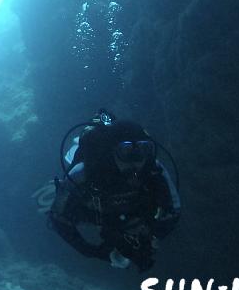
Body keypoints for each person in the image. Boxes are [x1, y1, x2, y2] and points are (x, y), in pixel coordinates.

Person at [48, 110, 180, 271]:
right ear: (111, 152)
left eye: (144, 150)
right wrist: (92, 251)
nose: (136, 162)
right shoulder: (84, 172)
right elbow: (58, 218)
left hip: (128, 214)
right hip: (96, 211)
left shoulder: (153, 169)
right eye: (126, 152)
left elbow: (173, 210)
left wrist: (151, 237)